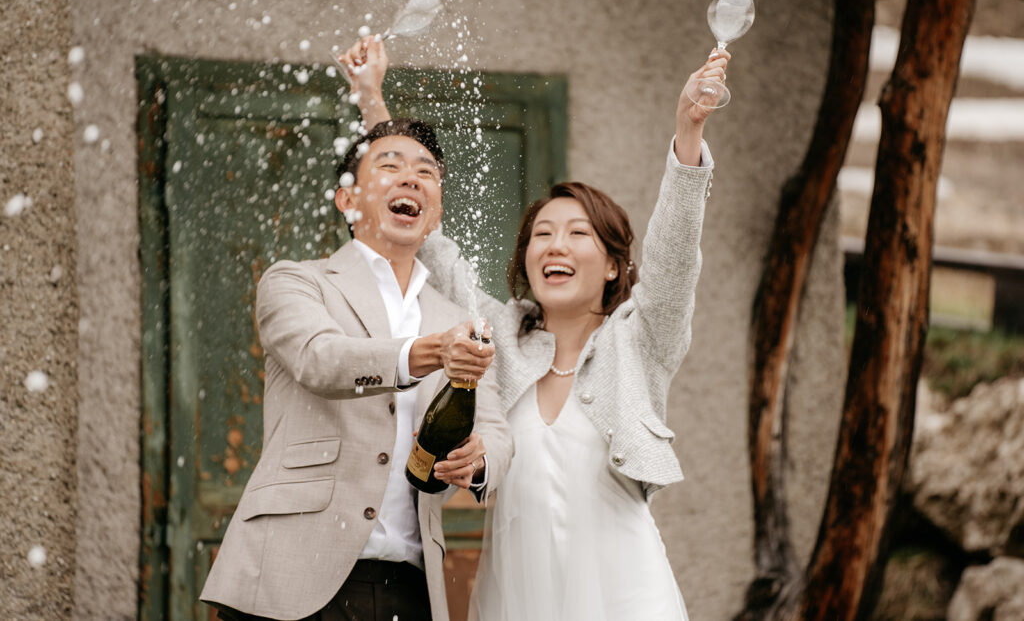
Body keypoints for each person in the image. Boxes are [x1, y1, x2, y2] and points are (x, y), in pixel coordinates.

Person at [341, 35, 726, 620]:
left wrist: (689, 131)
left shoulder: (641, 338)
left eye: (578, 234)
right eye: (542, 234)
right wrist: (373, 101)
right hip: (517, 593)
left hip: (623, 592)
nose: (555, 245)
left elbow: (675, 255)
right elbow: (430, 242)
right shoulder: (499, 336)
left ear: (616, 264)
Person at [200, 114, 514, 621]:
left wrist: (481, 461)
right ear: (347, 199)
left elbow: (496, 428)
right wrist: (429, 352)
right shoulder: (298, 282)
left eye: (426, 172)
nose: (411, 178)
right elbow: (320, 359)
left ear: (434, 216)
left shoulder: (461, 320)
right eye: (389, 165)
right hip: (288, 573)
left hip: (410, 586)